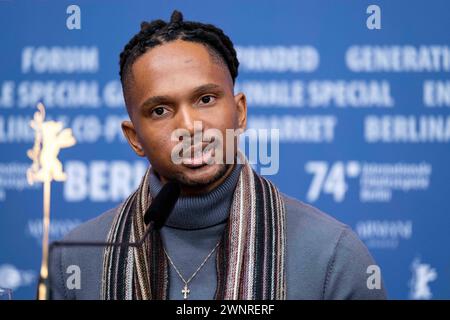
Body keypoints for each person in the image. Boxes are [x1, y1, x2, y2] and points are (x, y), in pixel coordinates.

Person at [50, 10, 386, 300]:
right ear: (134, 138)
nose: (190, 126)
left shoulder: (331, 255)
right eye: (160, 110)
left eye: (206, 99)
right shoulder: (78, 260)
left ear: (240, 112)